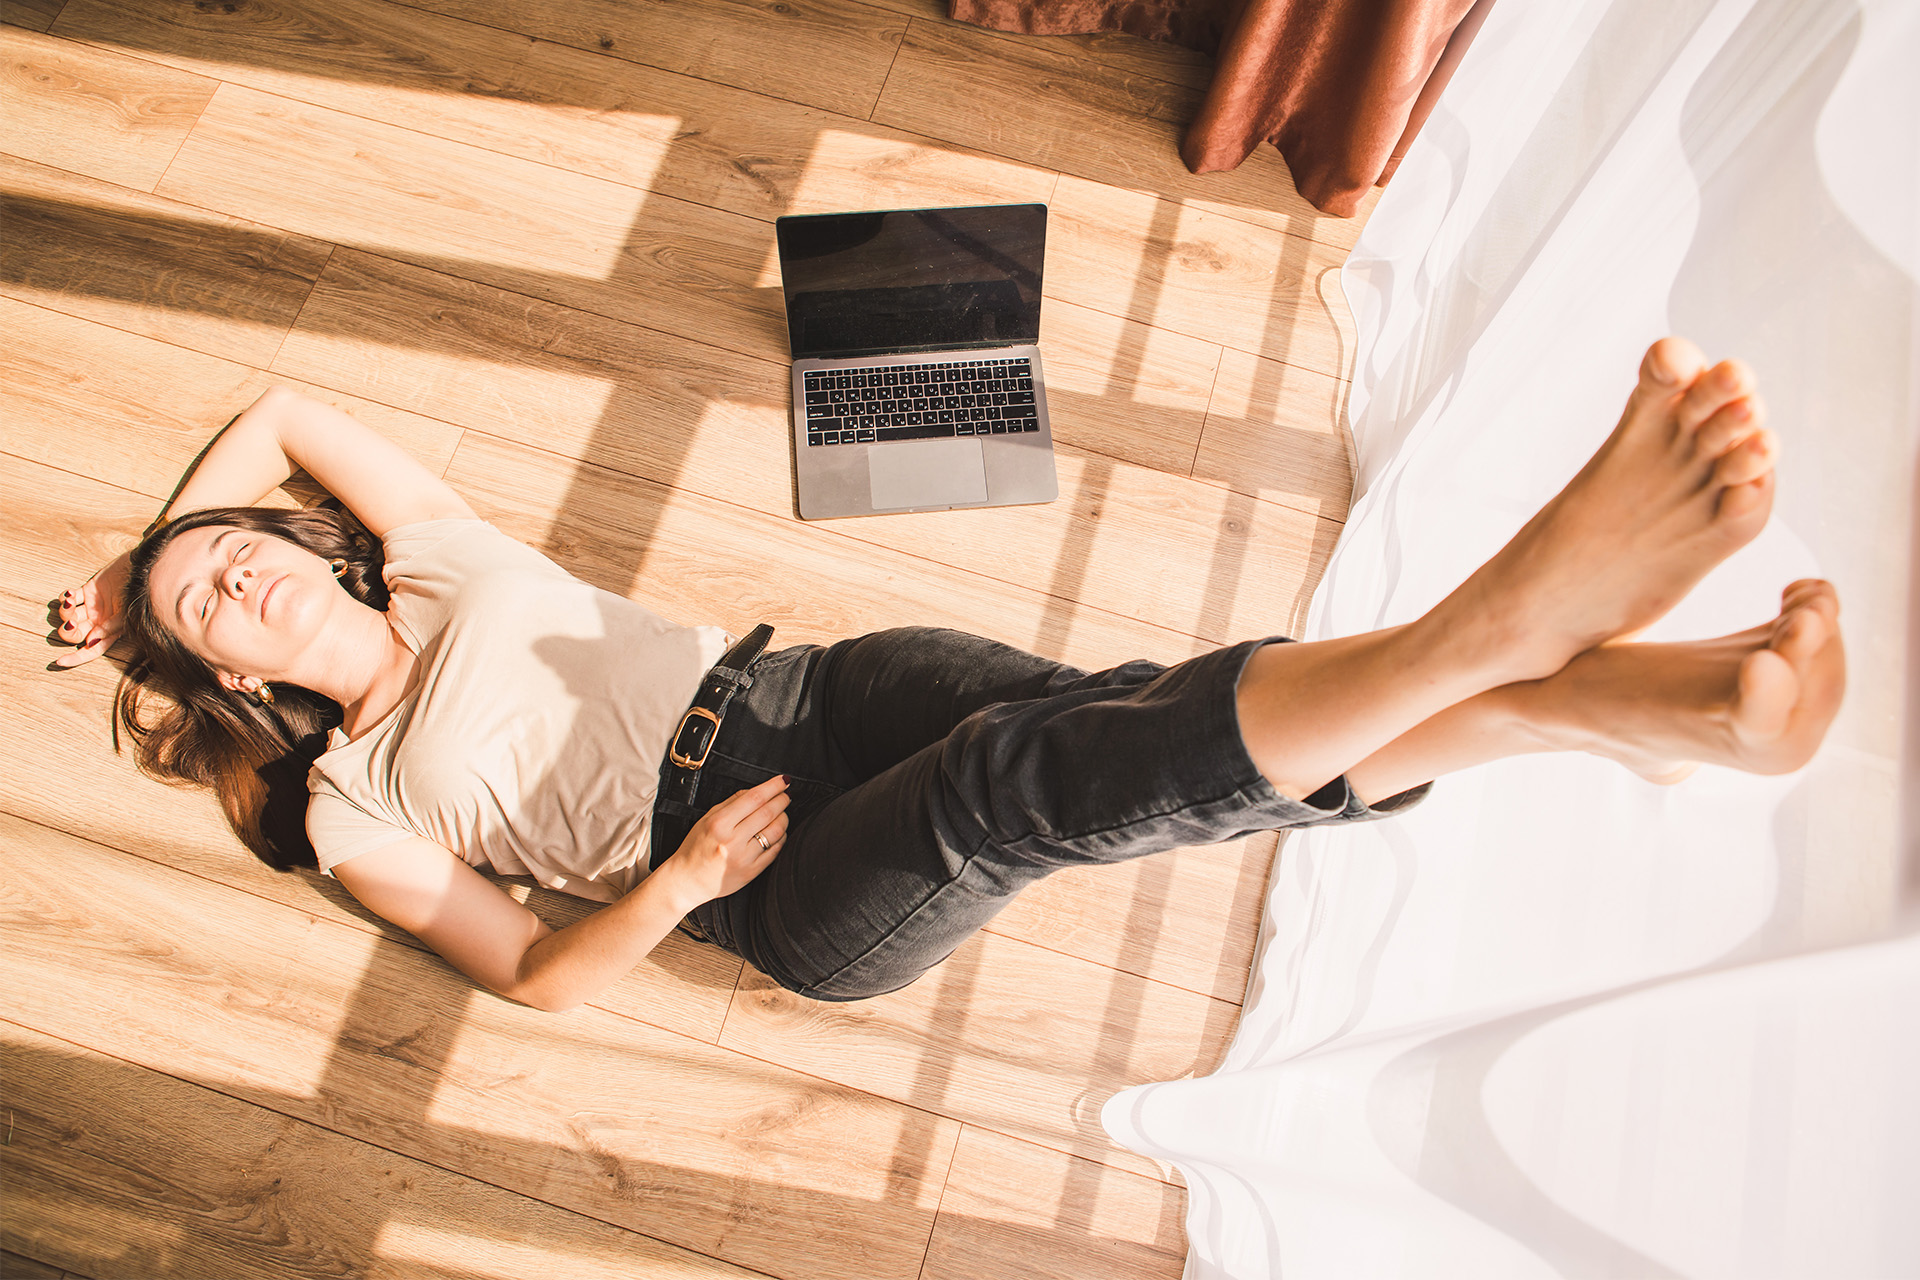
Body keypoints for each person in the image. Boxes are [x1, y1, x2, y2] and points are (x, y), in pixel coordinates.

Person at [52, 339, 1845, 1013]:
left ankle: (1611, 709)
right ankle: (1500, 638)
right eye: (205, 605)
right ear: (228, 676)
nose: (237, 576)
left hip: (817, 689)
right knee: (1022, 792)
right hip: (761, 886)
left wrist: (128, 560)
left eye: (236, 547)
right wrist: (677, 884)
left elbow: (286, 409)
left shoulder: (437, 556)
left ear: (299, 541)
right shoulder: (353, 801)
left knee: (1135, 718)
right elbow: (529, 972)